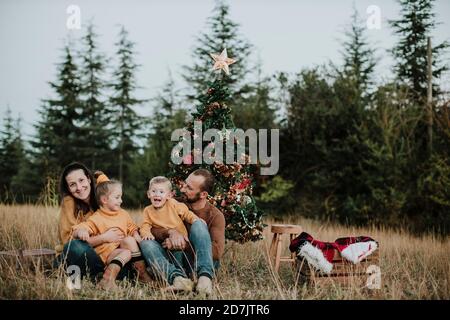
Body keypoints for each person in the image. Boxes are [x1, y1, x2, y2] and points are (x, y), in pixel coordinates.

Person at [140, 168, 225, 296]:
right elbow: (151, 227)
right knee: (146, 243)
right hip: (174, 257)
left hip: (196, 263)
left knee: (198, 224)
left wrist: (183, 244)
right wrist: (171, 232)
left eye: (189, 188)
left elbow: (217, 252)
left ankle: (205, 278)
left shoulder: (216, 215)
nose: (182, 189)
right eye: (185, 184)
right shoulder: (173, 202)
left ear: (203, 194)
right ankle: (177, 279)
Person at [72, 175, 152, 290]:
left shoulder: (123, 214)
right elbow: (80, 228)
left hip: (123, 255)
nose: (121, 200)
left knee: (129, 240)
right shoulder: (97, 218)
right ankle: (108, 279)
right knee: (127, 253)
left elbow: (131, 227)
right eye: (117, 197)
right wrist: (81, 232)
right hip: (107, 255)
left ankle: (140, 274)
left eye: (121, 197)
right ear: (105, 200)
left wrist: (136, 236)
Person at [55, 162, 132, 281]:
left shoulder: (102, 196)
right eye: (72, 185)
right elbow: (68, 242)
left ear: (89, 179)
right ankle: (99, 275)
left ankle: (103, 273)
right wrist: (104, 238)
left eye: (81, 180)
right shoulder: (69, 202)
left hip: (108, 255)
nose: (79, 188)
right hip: (80, 255)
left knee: (128, 257)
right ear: (68, 188)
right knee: (76, 247)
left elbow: (121, 220)